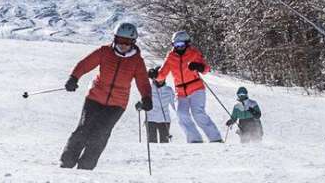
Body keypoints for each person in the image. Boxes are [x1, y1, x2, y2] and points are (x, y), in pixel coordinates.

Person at [61, 22, 152, 170]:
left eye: (127, 42)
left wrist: (147, 98)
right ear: (114, 39)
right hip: (95, 97)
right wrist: (73, 78)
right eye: (120, 40)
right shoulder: (104, 52)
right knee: (84, 128)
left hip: (117, 104)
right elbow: (85, 64)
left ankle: (86, 166)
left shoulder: (137, 61)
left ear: (133, 42)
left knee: (101, 133)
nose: (123, 45)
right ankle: (67, 162)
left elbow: (143, 82)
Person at [155, 30, 223, 143]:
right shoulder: (171, 56)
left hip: (196, 88)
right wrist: (155, 74)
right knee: (181, 114)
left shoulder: (194, 53)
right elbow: (162, 74)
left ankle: (215, 138)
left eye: (181, 44)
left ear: (187, 44)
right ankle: (194, 139)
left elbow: (206, 69)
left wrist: (198, 66)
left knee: (198, 113)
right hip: (181, 91)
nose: (179, 47)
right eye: (176, 45)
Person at [145, 66, 174, 143]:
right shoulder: (148, 89)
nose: (161, 79)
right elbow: (143, 101)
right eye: (159, 77)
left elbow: (175, 105)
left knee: (165, 143)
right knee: (152, 144)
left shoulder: (169, 90)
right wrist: (140, 105)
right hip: (151, 120)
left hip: (165, 121)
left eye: (163, 77)